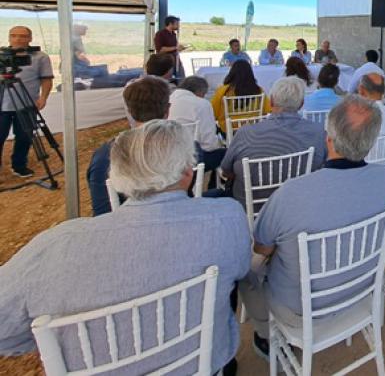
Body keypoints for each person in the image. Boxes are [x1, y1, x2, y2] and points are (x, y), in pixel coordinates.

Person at [0, 120, 251, 376]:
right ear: (188, 173)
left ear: (117, 178)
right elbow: (241, 271)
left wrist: (56, 338)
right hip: (203, 365)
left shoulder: (56, 247)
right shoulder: (226, 217)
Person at [239, 95, 385, 356]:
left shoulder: (292, 193)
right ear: (371, 141)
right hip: (360, 291)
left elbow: (262, 248)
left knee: (243, 268)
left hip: (299, 310)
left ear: (329, 138)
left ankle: (266, 335)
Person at [216, 77, 327, 206]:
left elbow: (226, 170)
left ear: (272, 102)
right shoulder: (318, 132)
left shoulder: (245, 134)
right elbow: (323, 167)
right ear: (301, 103)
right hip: (298, 206)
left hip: (250, 208)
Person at [87, 76, 171, 216]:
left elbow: (102, 211)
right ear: (167, 110)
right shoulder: (186, 148)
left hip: (121, 228)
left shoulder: (105, 156)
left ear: (130, 111)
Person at [0, 26, 53, 178]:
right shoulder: (1, 55)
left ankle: (19, 165)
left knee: (25, 136)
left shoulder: (40, 56)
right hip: (2, 103)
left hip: (27, 103)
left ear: (30, 38)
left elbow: (46, 79)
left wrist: (43, 98)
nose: (17, 39)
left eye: (22, 36)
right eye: (14, 36)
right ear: (9, 37)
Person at [169, 76, 224, 173]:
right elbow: (208, 144)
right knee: (227, 154)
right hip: (192, 159)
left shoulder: (169, 98)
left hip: (169, 155)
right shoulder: (202, 104)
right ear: (200, 92)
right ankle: (215, 186)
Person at [211, 60, 271, 132]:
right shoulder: (258, 90)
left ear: (232, 72)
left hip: (229, 130)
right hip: (253, 128)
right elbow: (267, 110)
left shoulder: (223, 90)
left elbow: (213, 112)